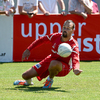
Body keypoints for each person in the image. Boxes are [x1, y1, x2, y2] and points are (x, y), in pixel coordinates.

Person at [14, 20, 83, 88]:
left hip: (64, 67)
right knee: (25, 75)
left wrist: (76, 68)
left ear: (72, 30)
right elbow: (41, 40)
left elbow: (75, 58)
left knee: (54, 63)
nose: (65, 30)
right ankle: (27, 82)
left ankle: (49, 80)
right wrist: (29, 49)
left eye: (68, 28)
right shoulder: (55, 36)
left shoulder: (73, 44)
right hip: (50, 60)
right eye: (64, 27)